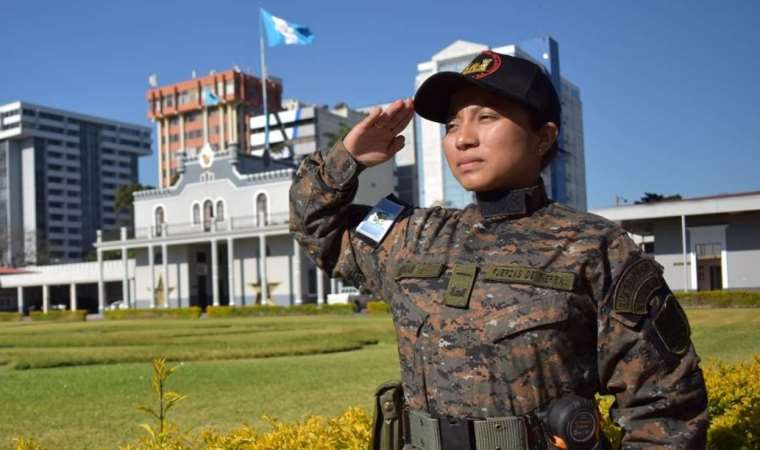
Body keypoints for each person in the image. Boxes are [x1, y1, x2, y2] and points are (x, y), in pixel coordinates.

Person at [289, 50, 708, 450]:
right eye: (452, 125)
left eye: (486, 117)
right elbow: (315, 228)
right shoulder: (414, 235)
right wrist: (348, 158)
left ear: (543, 138)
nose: (463, 139)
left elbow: (664, 406)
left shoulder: (593, 247)